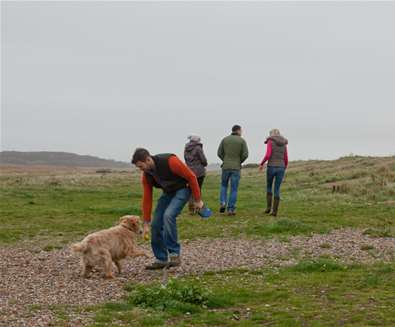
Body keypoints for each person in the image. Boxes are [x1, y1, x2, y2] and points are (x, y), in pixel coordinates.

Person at [131, 148, 204, 270]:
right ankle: (161, 259)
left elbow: (191, 177)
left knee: (168, 215)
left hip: (183, 189)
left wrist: (197, 200)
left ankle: (174, 254)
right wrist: (146, 222)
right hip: (169, 192)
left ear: (148, 159)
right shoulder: (147, 175)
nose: (141, 169)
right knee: (155, 224)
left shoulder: (170, 161)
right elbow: (147, 198)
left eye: (141, 166)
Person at [217, 125, 249, 216]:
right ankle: (231, 209)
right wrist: (239, 161)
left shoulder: (224, 140)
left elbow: (219, 153)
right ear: (238, 130)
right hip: (236, 167)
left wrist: (225, 160)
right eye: (241, 130)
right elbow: (245, 154)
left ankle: (223, 202)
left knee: (224, 185)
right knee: (234, 189)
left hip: (226, 166)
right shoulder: (242, 141)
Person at [259, 129, 288, 217]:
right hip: (281, 167)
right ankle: (274, 212)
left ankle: (268, 208)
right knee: (277, 189)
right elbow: (286, 157)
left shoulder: (270, 141)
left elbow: (268, 155)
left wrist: (262, 163)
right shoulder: (284, 143)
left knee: (269, 187)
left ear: (271, 134)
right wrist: (284, 167)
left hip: (271, 166)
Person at [184, 134, 208, 214]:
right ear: (196, 141)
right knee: (198, 190)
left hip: (189, 171)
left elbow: (186, 160)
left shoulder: (186, 148)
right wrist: (204, 164)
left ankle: (191, 208)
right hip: (199, 172)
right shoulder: (198, 148)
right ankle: (198, 207)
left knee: (191, 190)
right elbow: (203, 160)